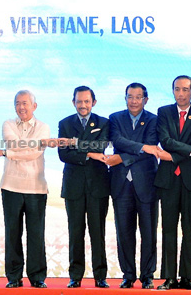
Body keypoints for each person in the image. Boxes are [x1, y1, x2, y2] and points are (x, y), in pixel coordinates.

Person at [0, 90, 62, 289]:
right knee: (13, 233)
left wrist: (5, 153)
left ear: (34, 106)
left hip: (36, 187)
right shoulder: (8, 124)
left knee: (36, 234)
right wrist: (20, 148)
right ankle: (14, 277)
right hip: (11, 186)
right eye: (18, 103)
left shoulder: (43, 127)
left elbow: (33, 153)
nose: (22, 107)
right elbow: (16, 144)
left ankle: (37, 277)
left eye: (25, 103)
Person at [106, 82, 166, 289]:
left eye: (138, 97)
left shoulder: (153, 120)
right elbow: (118, 140)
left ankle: (147, 275)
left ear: (145, 100)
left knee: (149, 231)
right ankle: (128, 275)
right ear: (125, 98)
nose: (133, 101)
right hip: (121, 184)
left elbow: (150, 146)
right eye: (130, 97)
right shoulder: (114, 119)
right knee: (124, 232)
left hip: (147, 183)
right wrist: (141, 148)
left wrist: (121, 158)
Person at [155, 76, 191, 290]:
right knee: (168, 228)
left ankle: (186, 277)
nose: (180, 93)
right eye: (177, 89)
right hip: (168, 179)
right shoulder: (163, 112)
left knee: (189, 229)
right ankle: (169, 277)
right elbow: (165, 141)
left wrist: (175, 156)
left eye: (185, 90)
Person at [58, 86, 111, 289]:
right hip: (73, 186)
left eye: (87, 101)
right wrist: (89, 154)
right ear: (73, 102)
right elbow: (64, 155)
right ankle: (75, 276)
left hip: (98, 186)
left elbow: (101, 146)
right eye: (79, 101)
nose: (83, 105)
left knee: (98, 232)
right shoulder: (64, 123)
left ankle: (100, 276)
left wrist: (75, 144)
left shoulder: (104, 123)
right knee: (75, 232)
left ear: (93, 103)